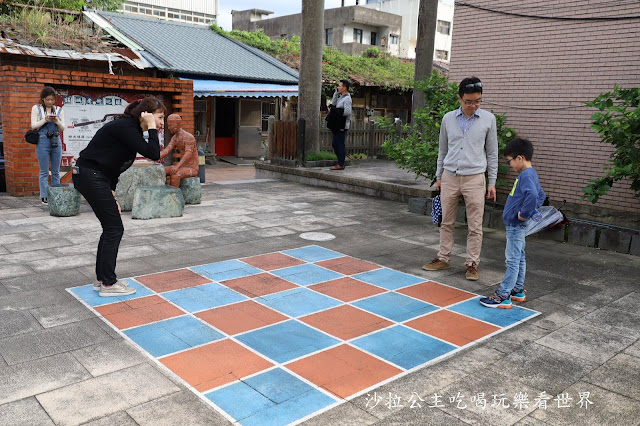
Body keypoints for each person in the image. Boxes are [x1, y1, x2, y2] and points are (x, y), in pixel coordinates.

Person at [72, 97, 165, 297]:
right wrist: (152, 129)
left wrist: (111, 193)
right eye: (160, 117)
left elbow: (113, 163)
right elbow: (154, 153)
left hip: (95, 177)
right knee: (114, 228)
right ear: (146, 115)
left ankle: (102, 279)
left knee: (110, 228)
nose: (162, 122)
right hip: (90, 175)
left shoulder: (130, 130)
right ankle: (108, 284)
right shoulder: (126, 127)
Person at [423, 77, 498, 280]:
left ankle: (472, 263)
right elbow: (443, 150)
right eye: (469, 102)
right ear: (459, 99)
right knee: (446, 222)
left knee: (475, 225)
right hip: (450, 177)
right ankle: (443, 258)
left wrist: (492, 182)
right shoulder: (448, 119)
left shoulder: (489, 119)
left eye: (478, 101)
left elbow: (492, 153)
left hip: (475, 178)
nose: (474, 106)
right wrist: (439, 176)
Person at [480, 137, 545, 308]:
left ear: (520, 158)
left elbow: (533, 195)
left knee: (512, 260)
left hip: (516, 225)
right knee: (519, 257)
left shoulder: (526, 175)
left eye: (510, 161)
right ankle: (517, 290)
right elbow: (541, 195)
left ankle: (503, 295)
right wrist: (529, 211)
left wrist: (524, 214)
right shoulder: (531, 174)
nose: (510, 165)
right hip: (517, 225)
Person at [31, 86, 66, 205]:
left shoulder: (59, 110)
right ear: (43, 99)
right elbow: (34, 125)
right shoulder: (36, 108)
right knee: (44, 171)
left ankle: (55, 194)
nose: (50, 102)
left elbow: (63, 127)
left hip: (56, 139)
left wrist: (57, 121)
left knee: (56, 171)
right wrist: (45, 120)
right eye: (47, 99)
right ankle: (44, 196)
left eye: (52, 99)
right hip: (42, 140)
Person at [159, 113, 198, 187]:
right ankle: (164, 193)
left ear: (178, 124)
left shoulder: (188, 137)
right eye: (168, 125)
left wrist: (177, 166)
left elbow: (188, 154)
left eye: (170, 125)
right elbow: (167, 150)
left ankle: (175, 197)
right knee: (162, 171)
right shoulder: (174, 138)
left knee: (175, 174)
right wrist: (153, 156)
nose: (169, 128)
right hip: (182, 166)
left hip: (192, 168)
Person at [328, 79, 352, 170]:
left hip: (342, 126)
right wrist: (336, 93)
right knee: (335, 144)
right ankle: (340, 162)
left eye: (339, 86)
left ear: (345, 88)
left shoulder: (347, 99)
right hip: (337, 125)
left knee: (340, 144)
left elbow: (347, 112)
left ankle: (341, 163)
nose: (338, 87)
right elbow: (334, 104)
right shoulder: (341, 97)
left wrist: (334, 111)